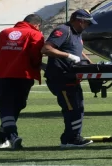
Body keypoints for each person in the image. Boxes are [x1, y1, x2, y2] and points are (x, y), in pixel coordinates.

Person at [42, 9, 97, 148]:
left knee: (77, 107)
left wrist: (89, 63)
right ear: (80, 21)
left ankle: (72, 137)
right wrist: (68, 56)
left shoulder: (76, 34)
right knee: (72, 108)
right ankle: (70, 139)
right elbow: (46, 49)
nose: (88, 26)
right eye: (88, 23)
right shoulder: (63, 30)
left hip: (70, 76)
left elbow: (77, 49)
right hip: (61, 77)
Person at [0, 14, 45, 150]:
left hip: (2, 74)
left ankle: (2, 136)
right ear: (37, 25)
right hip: (23, 75)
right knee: (16, 105)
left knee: (6, 106)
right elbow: (35, 56)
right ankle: (12, 135)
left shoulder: (4, 33)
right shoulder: (35, 34)